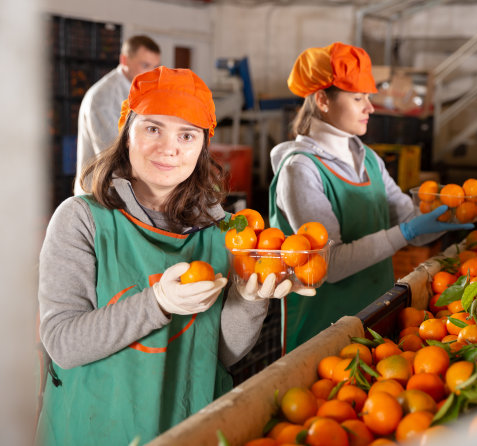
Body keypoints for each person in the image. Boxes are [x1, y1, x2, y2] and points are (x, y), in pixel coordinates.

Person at [37, 66, 306, 445]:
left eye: (187, 134)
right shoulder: (82, 219)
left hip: (189, 424)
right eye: (152, 128)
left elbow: (220, 354)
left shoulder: (225, 231)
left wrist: (247, 301)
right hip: (97, 427)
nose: (170, 147)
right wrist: (158, 302)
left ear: (202, 146)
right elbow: (63, 343)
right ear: (127, 134)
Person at [269, 42, 477, 353]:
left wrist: (466, 206)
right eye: (358, 98)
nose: (370, 107)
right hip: (322, 332)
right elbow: (332, 264)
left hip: (375, 316)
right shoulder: (300, 169)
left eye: (369, 97)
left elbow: (414, 229)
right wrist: (405, 233)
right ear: (322, 100)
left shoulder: (367, 159)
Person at [74, 34, 161, 195]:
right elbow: (113, 151)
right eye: (145, 65)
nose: (151, 74)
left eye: (155, 67)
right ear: (124, 61)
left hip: (123, 189)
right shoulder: (103, 96)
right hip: (100, 194)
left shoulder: (139, 91)